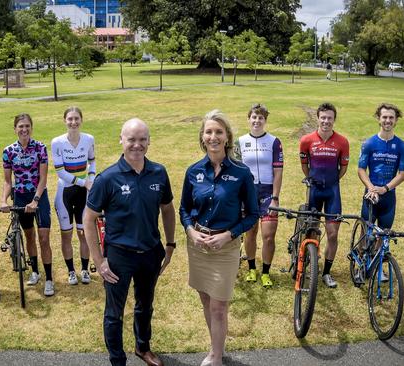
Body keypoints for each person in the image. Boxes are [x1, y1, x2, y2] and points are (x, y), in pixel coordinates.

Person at [82, 118, 175, 366]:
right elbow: (88, 219)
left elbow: (167, 208)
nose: (137, 144)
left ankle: (142, 348)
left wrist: (170, 244)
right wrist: (99, 261)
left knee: (145, 306)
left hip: (150, 252)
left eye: (142, 139)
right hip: (118, 256)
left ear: (148, 141)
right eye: (131, 139)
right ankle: (117, 360)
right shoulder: (108, 178)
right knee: (114, 314)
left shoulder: (159, 172)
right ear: (121, 140)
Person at [180, 110, 258, 366]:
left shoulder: (242, 173)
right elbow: (184, 209)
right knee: (205, 299)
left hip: (225, 248)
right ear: (203, 137)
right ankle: (217, 345)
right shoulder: (193, 172)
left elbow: (253, 214)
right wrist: (191, 231)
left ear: (227, 138)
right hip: (198, 248)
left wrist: (229, 235)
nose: (213, 137)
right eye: (209, 132)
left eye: (218, 132)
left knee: (219, 306)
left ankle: (215, 357)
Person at [1, 113, 54, 296]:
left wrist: (36, 200)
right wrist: (3, 200)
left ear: (31, 127)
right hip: (21, 197)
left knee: (44, 238)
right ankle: (35, 272)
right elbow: (8, 182)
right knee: (29, 236)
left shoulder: (40, 148)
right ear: (15, 129)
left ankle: (49, 279)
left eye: (27, 126)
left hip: (39, 196)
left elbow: (43, 178)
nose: (24, 129)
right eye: (20, 126)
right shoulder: (8, 151)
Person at [299, 102, 350, 288]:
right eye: (323, 117)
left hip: (332, 191)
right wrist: (312, 178)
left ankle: (327, 272)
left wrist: (331, 181)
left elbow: (343, 168)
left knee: (333, 234)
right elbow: (304, 165)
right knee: (311, 230)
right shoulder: (306, 140)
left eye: (329, 118)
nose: (326, 121)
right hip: (314, 190)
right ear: (318, 118)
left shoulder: (342, 142)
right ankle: (306, 264)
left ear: (334, 120)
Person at [234, 103, 283, 288]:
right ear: (248, 119)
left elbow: (278, 171)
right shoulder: (240, 142)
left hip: (268, 192)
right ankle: (252, 268)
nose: (257, 121)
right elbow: (237, 171)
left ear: (265, 120)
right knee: (250, 233)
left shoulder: (274, 142)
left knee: (268, 235)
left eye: (260, 118)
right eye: (254, 117)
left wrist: (275, 197)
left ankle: (265, 272)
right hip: (248, 193)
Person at [51, 106, 96, 285]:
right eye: (70, 119)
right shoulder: (57, 142)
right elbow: (60, 171)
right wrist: (83, 182)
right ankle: (71, 271)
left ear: (81, 120)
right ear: (65, 121)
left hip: (84, 193)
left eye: (77, 118)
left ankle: (84, 270)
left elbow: (92, 162)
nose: (73, 122)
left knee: (83, 233)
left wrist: (91, 180)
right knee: (66, 235)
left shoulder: (89, 139)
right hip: (65, 192)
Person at [357, 103, 404, 229]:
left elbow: (402, 175)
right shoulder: (368, 144)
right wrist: (371, 188)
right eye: (384, 117)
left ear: (396, 120)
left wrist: (384, 189)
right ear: (378, 119)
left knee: (384, 236)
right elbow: (361, 169)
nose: (388, 120)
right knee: (364, 235)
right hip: (370, 193)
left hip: (389, 196)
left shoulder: (402, 146)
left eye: (391, 118)